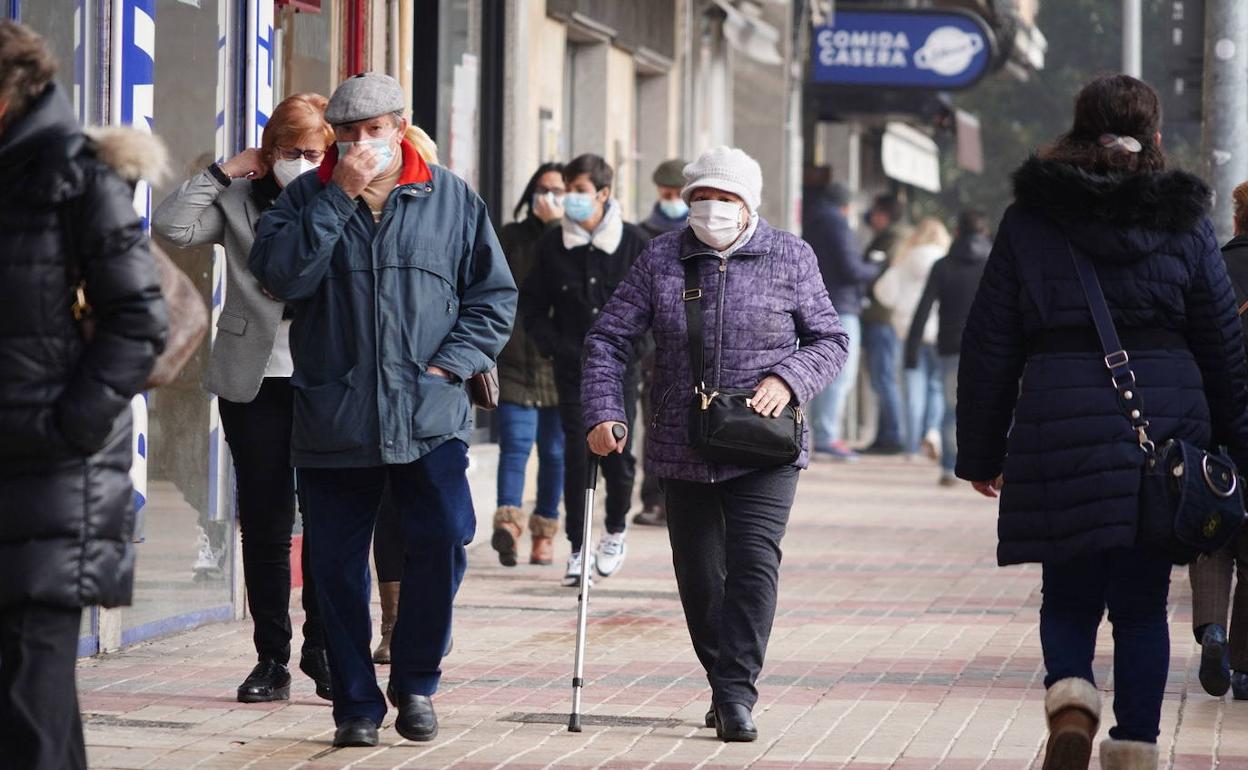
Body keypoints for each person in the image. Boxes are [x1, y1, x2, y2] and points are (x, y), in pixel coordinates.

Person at [958, 75, 1248, 769]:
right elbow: (1221, 342)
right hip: (1167, 437)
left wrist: (980, 451)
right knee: (1143, 607)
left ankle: (1072, 704)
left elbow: (990, 341)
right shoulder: (1184, 222)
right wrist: (1236, 444)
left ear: (1077, 129)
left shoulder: (1031, 219)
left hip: (1058, 425)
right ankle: (1137, 747)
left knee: (1067, 592)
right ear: (1154, 137)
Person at [249, 72, 516, 749]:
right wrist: (335, 199)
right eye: (348, 134)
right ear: (334, 138)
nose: (363, 144)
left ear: (400, 126)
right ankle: (356, 707)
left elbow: (493, 297)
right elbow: (281, 278)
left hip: (429, 413)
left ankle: (417, 682)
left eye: (375, 130)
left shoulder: (451, 198)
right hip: (333, 415)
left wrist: (449, 363)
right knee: (336, 569)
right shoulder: (304, 198)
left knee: (444, 539)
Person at [582, 146, 848, 742]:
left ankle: (735, 693)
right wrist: (605, 412)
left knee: (754, 563)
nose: (711, 209)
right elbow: (607, 340)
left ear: (748, 204)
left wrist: (788, 380)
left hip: (766, 442)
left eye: (724, 199)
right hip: (684, 442)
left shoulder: (790, 256)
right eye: (700, 197)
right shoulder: (663, 257)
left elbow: (830, 339)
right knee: (701, 577)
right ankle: (722, 679)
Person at [0, 21, 167, 770]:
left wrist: (70, 426)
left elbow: (139, 320)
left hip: (53, 475)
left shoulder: (77, 177)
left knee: (28, 702)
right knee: (33, 709)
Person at [153, 92, 336, 704]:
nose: (303, 162)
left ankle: (323, 646)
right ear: (270, 149)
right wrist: (224, 171)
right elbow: (172, 225)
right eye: (291, 152)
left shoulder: (343, 197)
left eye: (314, 152)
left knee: (330, 519)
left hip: (326, 377)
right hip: (252, 377)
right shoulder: (238, 201)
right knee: (264, 523)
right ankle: (271, 658)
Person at [519, 153, 648, 586]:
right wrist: (555, 348)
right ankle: (577, 547)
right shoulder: (553, 245)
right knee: (578, 455)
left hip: (621, 370)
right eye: (566, 190)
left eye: (578, 191)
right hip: (573, 368)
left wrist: (638, 351)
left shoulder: (633, 243)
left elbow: (657, 310)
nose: (569, 199)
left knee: (618, 456)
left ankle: (614, 530)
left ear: (603, 194)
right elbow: (533, 307)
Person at [370, 124, 445, 665]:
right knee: (386, 517)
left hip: (432, 396)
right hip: (365, 398)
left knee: (441, 524)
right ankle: (393, 624)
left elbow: (488, 298)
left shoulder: (451, 209)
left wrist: (450, 368)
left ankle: (420, 624)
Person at [1188, 180, 1248, 701]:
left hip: (1212, 422)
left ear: (1238, 220)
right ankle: (1246, 669)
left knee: (1214, 535)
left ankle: (1213, 630)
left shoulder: (1212, 268)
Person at [490, 162, 567, 567]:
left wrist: (558, 229)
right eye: (542, 189)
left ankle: (544, 533)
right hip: (516, 359)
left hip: (558, 363)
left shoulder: (573, 240)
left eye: (557, 190)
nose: (548, 196)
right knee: (515, 447)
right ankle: (508, 525)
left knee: (555, 452)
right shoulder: (511, 236)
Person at [905, 210, 990, 487]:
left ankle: (948, 467)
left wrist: (912, 348)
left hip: (951, 346)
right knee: (994, 404)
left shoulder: (943, 266)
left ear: (956, 234)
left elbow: (924, 307)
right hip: (990, 345)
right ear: (984, 232)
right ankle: (993, 465)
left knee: (951, 409)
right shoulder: (994, 262)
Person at [802, 174, 877, 461]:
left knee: (823, 373)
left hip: (819, 302)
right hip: (842, 306)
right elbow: (851, 269)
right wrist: (875, 268)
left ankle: (821, 434)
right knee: (840, 376)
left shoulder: (813, 221)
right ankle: (826, 436)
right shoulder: (838, 224)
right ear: (846, 206)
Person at [636, 157, 689, 527]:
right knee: (653, 424)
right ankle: (653, 499)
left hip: (696, 345)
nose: (671, 199)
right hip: (653, 347)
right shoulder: (644, 234)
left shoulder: (702, 233)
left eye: (678, 193)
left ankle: (684, 500)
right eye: (666, 192)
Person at [875, 216, 950, 463]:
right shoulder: (945, 260)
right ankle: (932, 431)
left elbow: (883, 291)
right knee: (937, 387)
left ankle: (911, 447)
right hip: (941, 331)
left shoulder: (906, 259)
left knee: (912, 389)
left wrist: (899, 308)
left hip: (909, 332)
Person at [860, 194, 910, 455]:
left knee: (884, 378)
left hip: (883, 318)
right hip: (879, 317)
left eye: (875, 212)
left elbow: (880, 269)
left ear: (884, 214)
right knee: (881, 379)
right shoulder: (893, 236)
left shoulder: (894, 238)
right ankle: (884, 436)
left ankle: (892, 436)